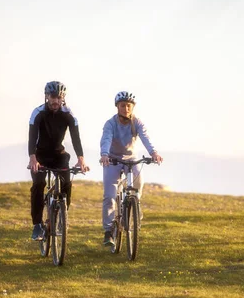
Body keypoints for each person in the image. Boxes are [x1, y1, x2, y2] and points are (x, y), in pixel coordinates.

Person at [100, 91, 163, 246]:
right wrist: (104, 154)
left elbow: (145, 138)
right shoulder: (110, 123)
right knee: (109, 196)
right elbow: (106, 139)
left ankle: (135, 205)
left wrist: (153, 153)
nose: (126, 109)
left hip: (132, 159)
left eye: (129, 106)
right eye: (123, 105)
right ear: (117, 107)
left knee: (138, 184)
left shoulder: (137, 123)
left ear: (132, 108)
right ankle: (108, 231)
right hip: (113, 159)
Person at [28, 81, 89, 240]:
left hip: (59, 155)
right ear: (47, 97)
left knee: (67, 182)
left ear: (63, 98)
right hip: (40, 155)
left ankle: (62, 216)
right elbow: (32, 137)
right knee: (38, 185)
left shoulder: (69, 114)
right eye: (53, 97)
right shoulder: (38, 113)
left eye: (59, 97)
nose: (55, 100)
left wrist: (80, 159)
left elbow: (76, 138)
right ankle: (37, 225)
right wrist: (33, 158)